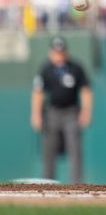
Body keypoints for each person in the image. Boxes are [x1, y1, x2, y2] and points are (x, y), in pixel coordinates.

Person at [30, 37, 93, 183]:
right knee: (49, 151)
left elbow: (85, 90)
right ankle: (47, 183)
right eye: (55, 52)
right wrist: (36, 114)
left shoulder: (75, 68)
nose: (58, 55)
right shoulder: (46, 69)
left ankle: (77, 184)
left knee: (75, 149)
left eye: (61, 52)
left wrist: (86, 110)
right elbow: (38, 92)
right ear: (51, 52)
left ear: (66, 52)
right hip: (52, 113)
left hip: (71, 112)